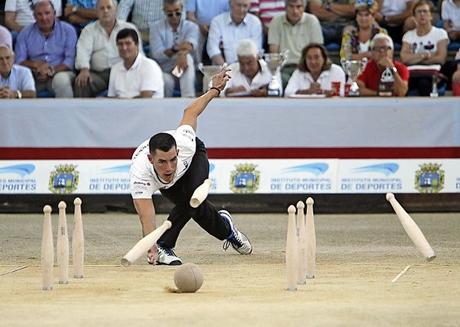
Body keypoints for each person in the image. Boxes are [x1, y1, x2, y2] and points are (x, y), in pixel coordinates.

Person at [129, 68, 253, 265]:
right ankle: (227, 229)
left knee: (192, 197)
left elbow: (190, 111)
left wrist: (214, 89)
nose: (169, 167)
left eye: (172, 159)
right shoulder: (140, 174)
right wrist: (149, 244)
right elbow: (147, 217)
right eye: (162, 162)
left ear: (177, 152)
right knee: (194, 206)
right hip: (171, 185)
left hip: (195, 159)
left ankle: (165, 245)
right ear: (151, 160)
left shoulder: (185, 143)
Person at [73, 0, 140, 97]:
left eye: (109, 7)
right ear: (96, 11)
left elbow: (139, 54)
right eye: (101, 8)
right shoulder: (89, 30)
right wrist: (84, 69)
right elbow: (83, 51)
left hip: (124, 72)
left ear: (116, 10)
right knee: (82, 82)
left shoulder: (129, 28)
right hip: (98, 75)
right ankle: (82, 112)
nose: (105, 11)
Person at [15, 0, 77, 98]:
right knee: (20, 81)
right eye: (39, 14)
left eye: (47, 13)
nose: (44, 18)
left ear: (55, 14)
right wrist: (37, 66)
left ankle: (66, 113)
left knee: (61, 80)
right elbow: (19, 61)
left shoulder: (68, 30)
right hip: (34, 74)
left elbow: (69, 62)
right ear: (34, 17)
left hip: (60, 72)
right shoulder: (25, 33)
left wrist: (50, 71)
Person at [268, 0, 323, 88]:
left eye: (299, 7)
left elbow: (316, 51)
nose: (295, 11)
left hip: (306, 68)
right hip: (284, 69)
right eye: (291, 6)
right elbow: (274, 53)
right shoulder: (276, 21)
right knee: (279, 82)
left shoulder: (312, 21)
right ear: (285, 7)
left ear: (304, 8)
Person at [150, 0, 199, 98]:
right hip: (166, 71)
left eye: (177, 12)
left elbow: (190, 46)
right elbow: (157, 54)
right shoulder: (155, 27)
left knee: (187, 58)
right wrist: (177, 49)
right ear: (164, 11)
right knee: (165, 80)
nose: (174, 16)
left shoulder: (191, 26)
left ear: (182, 9)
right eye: (170, 13)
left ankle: (188, 100)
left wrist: (181, 54)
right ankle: (164, 109)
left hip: (183, 69)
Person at [400, 0, 449, 96]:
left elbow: (441, 58)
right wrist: (425, 55)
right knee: (401, 85)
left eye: (425, 11)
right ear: (414, 17)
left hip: (432, 75)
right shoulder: (408, 35)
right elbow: (404, 58)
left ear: (431, 15)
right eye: (419, 12)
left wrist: (414, 58)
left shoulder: (440, 33)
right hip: (411, 74)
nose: (422, 14)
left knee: (423, 83)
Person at [108, 28, 164, 98]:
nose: (124, 48)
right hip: (121, 107)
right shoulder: (115, 68)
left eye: (128, 43)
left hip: (147, 108)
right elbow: (111, 98)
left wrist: (120, 102)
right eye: (120, 44)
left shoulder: (149, 66)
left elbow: (145, 98)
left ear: (137, 45)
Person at [207, 0, 262, 65]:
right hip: (222, 69)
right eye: (238, 5)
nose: (241, 9)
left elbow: (256, 50)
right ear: (230, 4)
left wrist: (242, 69)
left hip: (247, 69)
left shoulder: (255, 22)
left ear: (249, 6)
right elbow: (212, 49)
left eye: (245, 6)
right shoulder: (217, 21)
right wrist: (226, 70)